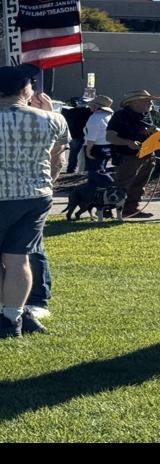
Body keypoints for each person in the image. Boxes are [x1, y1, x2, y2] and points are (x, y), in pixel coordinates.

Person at [0, 65, 67, 339]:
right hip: (34, 196)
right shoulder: (53, 119)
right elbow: (59, 156)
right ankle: (12, 318)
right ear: (25, 89)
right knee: (19, 259)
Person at [105, 89, 160, 219]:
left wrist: (155, 133)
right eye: (146, 100)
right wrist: (128, 143)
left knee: (139, 184)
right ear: (133, 102)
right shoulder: (120, 116)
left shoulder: (146, 115)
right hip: (127, 157)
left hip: (147, 155)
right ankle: (107, 210)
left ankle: (131, 210)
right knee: (122, 185)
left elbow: (145, 131)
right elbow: (110, 136)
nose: (150, 103)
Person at [62, 97, 92, 174]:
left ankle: (71, 169)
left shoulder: (70, 111)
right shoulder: (88, 112)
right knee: (86, 153)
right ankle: (85, 169)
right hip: (84, 135)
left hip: (74, 135)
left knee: (73, 153)